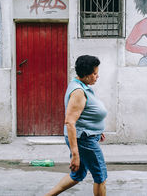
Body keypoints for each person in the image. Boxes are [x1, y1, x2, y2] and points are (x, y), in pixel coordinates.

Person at [46, 55, 108, 196]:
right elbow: (70, 122)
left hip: (86, 136)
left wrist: (97, 128)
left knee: (77, 175)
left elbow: (85, 114)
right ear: (85, 75)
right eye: (94, 73)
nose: (97, 76)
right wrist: (75, 155)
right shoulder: (78, 92)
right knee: (100, 176)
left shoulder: (81, 85)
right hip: (84, 140)